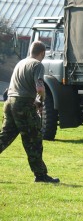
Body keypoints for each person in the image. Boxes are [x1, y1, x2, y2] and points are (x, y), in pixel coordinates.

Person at [0, 41, 60, 183]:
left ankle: (40, 175)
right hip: (24, 104)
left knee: (4, 138)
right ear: (43, 53)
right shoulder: (37, 65)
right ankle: (41, 175)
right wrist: (41, 101)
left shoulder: (21, 63)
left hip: (10, 102)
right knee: (33, 140)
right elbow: (40, 88)